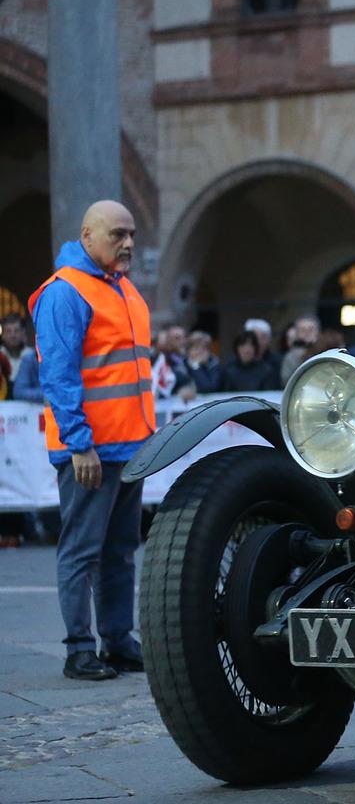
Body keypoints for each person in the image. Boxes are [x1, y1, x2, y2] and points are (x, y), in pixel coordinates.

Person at [28, 199, 152, 680]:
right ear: (87, 236)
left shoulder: (120, 289)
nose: (128, 244)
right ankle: (80, 648)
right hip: (90, 452)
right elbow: (57, 377)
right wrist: (80, 444)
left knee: (120, 551)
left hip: (127, 447)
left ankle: (117, 641)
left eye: (132, 234)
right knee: (82, 550)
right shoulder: (66, 292)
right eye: (117, 234)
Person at [280, 315, 319, 383]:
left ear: (318, 331)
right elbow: (286, 381)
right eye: (303, 330)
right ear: (297, 333)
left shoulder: (326, 350)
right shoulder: (291, 356)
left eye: (311, 329)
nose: (307, 333)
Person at [2, 313, 34, 394]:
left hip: (30, 404)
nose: (12, 335)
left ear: (23, 332)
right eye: (8, 331)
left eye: (16, 331)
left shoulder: (33, 357)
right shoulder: (0, 356)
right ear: (3, 335)